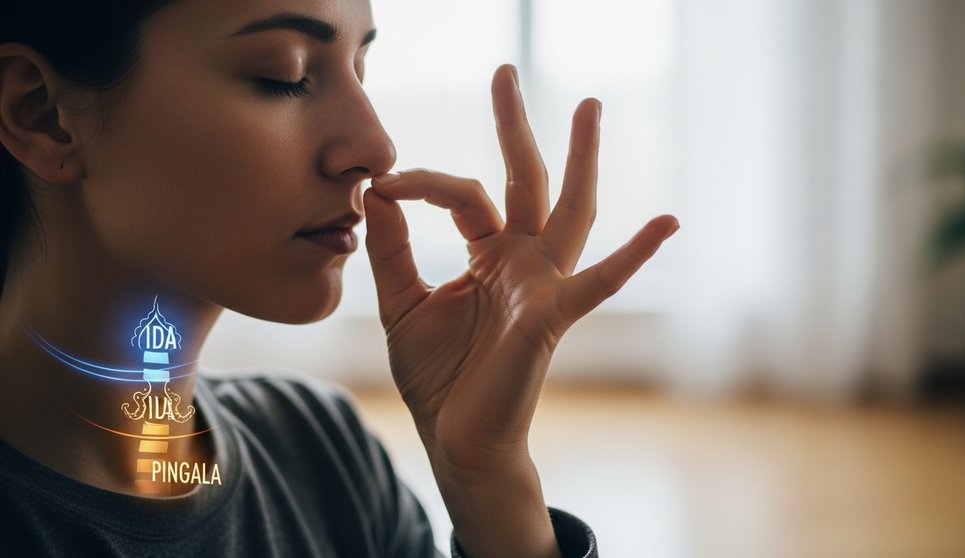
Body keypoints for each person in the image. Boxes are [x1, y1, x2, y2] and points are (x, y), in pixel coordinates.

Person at [0, 1, 678, 556]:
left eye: (360, 68)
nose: (377, 146)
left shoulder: (324, 457)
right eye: (284, 75)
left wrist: (491, 485)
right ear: (43, 116)